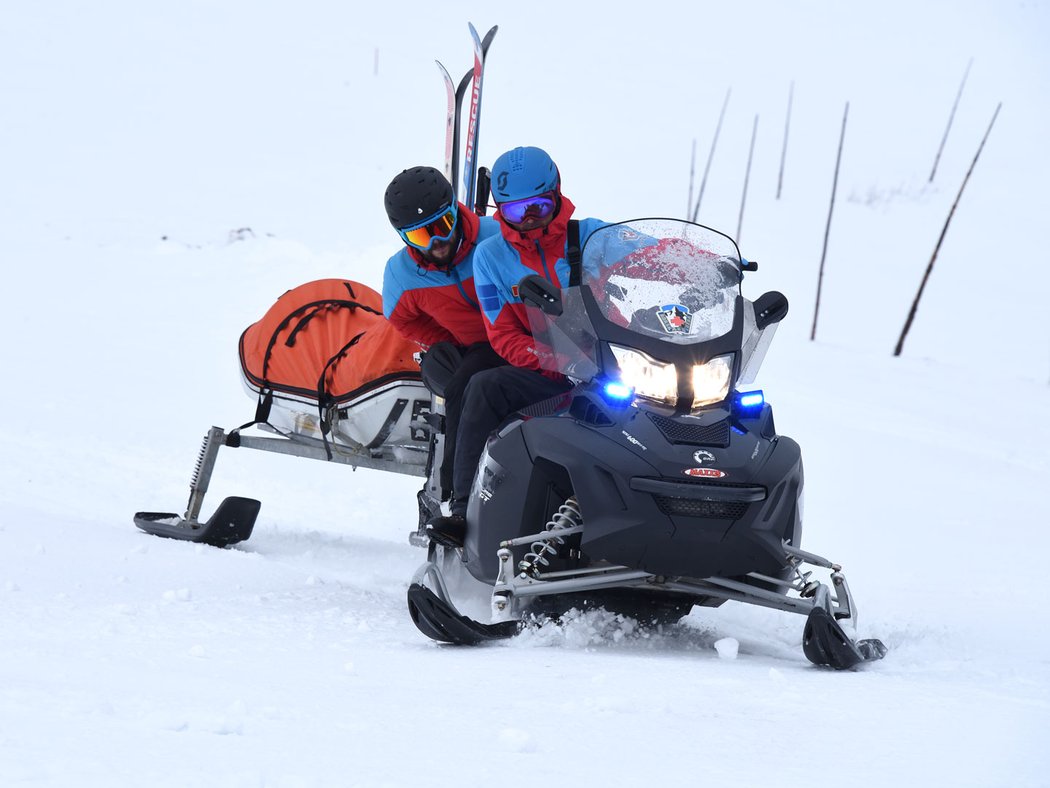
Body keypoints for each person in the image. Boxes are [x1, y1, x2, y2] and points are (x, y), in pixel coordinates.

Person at [425, 147, 607, 547]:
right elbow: (503, 336)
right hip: (552, 375)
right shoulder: (492, 257)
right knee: (483, 386)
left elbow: (650, 252)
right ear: (500, 209)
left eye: (539, 207)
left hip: (615, 367)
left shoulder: (592, 237)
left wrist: (707, 265)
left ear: (557, 196)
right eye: (515, 211)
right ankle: (462, 512)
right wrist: (557, 360)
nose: (527, 220)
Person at [381, 166, 505, 506]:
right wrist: (451, 339)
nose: (436, 243)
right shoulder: (403, 274)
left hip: (517, 339)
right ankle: (456, 495)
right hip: (475, 349)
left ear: (455, 211)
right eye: (421, 237)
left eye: (442, 227)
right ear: (404, 238)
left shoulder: (495, 239)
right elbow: (402, 320)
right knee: (462, 387)